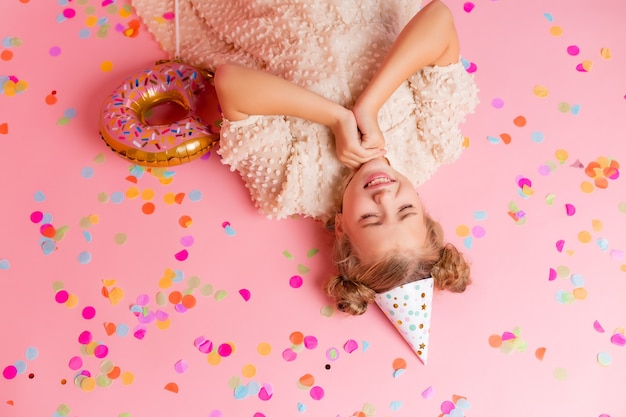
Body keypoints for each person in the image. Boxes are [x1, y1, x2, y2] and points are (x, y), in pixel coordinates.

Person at [132, 0, 478, 314]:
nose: (384, 196)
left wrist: (335, 118)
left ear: (342, 228)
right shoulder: (432, 142)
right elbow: (438, 19)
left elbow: (231, 82)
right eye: (406, 210)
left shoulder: (292, 185)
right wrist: (369, 104)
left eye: (372, 218)